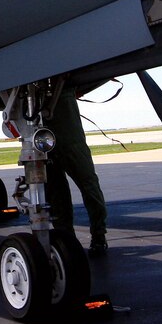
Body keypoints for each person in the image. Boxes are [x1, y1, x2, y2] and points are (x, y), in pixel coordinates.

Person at [46, 87, 108, 256]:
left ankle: (98, 235)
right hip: (44, 140)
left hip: (70, 140)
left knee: (89, 186)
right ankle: (67, 241)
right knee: (55, 194)